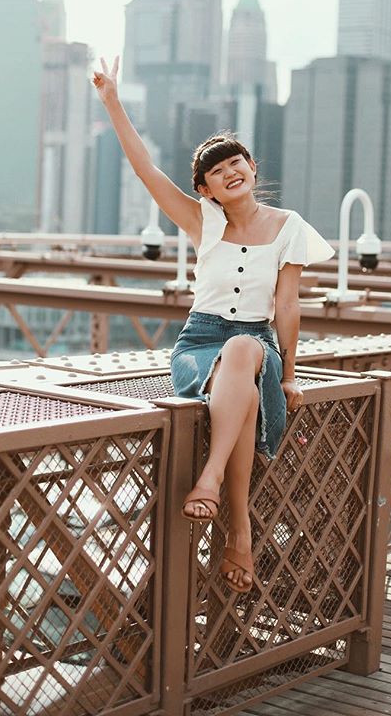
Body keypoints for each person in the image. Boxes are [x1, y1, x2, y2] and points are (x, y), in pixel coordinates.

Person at [93, 57, 334, 593]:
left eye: (238, 162)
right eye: (218, 171)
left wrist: (291, 373)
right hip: (199, 342)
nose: (232, 171)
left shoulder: (290, 227)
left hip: (255, 345)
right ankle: (239, 527)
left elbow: (287, 306)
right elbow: (145, 170)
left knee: (248, 350)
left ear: (251, 166)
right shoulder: (203, 220)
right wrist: (112, 100)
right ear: (205, 189)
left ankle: (211, 480)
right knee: (239, 378)